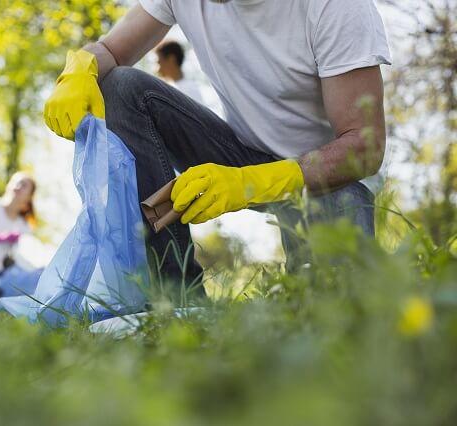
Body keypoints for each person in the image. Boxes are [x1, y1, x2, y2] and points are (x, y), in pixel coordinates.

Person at [43, 0, 391, 291]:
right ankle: (176, 296)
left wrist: (249, 185)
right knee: (121, 87)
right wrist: (78, 69)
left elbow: (364, 146)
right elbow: (109, 50)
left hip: (326, 179)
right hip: (239, 154)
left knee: (336, 307)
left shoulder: (336, 7)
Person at [0, 172, 43, 297]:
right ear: (8, 185)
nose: (18, 186)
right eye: (16, 182)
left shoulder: (24, 227)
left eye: (24, 185)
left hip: (2, 273)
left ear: (29, 197)